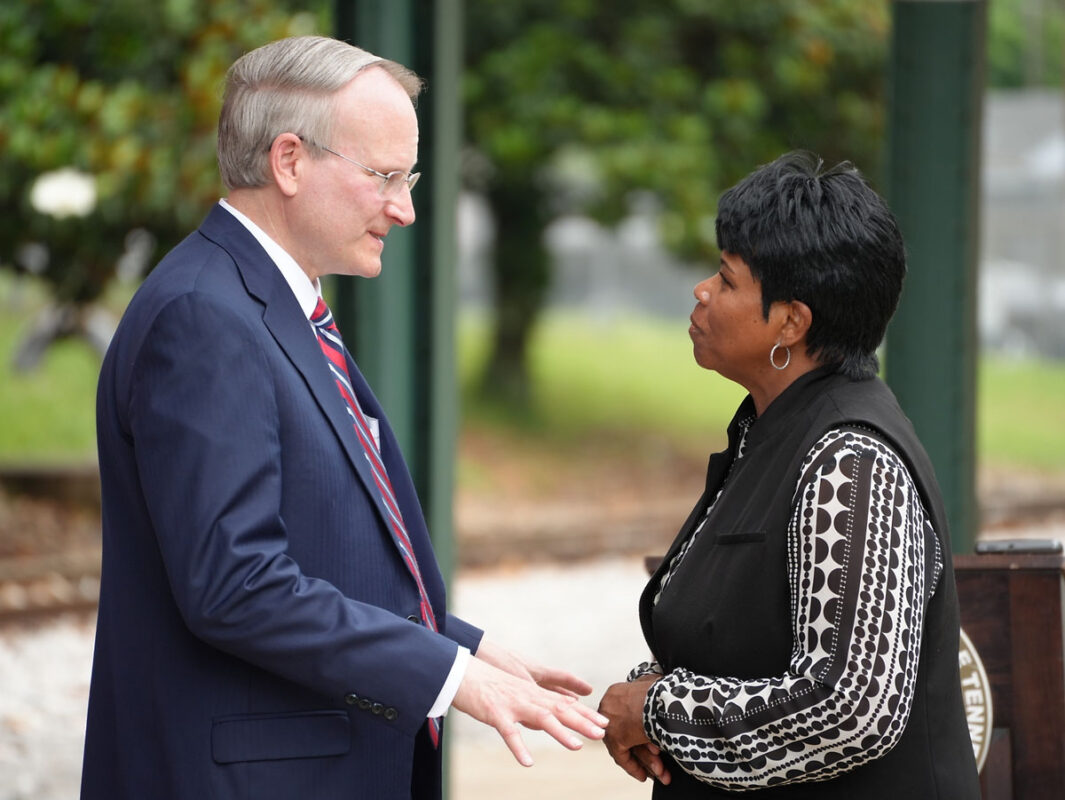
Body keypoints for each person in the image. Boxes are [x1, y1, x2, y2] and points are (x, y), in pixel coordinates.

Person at [80, 35, 606, 800]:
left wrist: (462, 647)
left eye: (410, 176)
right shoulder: (205, 317)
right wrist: (446, 676)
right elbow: (237, 585)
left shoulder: (257, 303)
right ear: (288, 161)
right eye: (385, 176)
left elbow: (317, 551)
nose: (406, 207)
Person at [598, 152, 980, 798]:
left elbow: (851, 709)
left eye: (725, 279)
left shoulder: (850, 460)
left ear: (791, 323)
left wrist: (658, 711)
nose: (701, 291)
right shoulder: (771, 429)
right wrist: (650, 696)